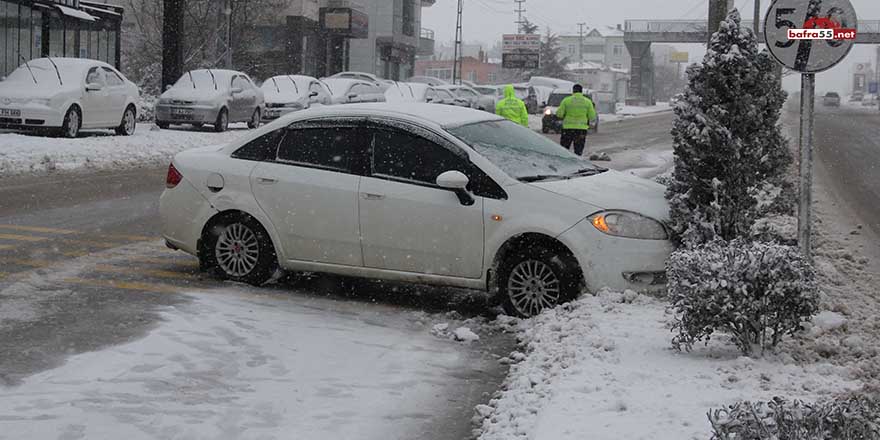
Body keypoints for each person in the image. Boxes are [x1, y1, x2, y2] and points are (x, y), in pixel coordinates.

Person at [556, 84, 598, 156]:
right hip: (581, 130)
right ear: (581, 91)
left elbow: (559, 114)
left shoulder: (566, 100)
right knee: (578, 150)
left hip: (567, 129)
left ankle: (564, 162)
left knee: (564, 150)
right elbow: (592, 116)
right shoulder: (587, 102)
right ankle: (577, 162)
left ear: (573, 91)